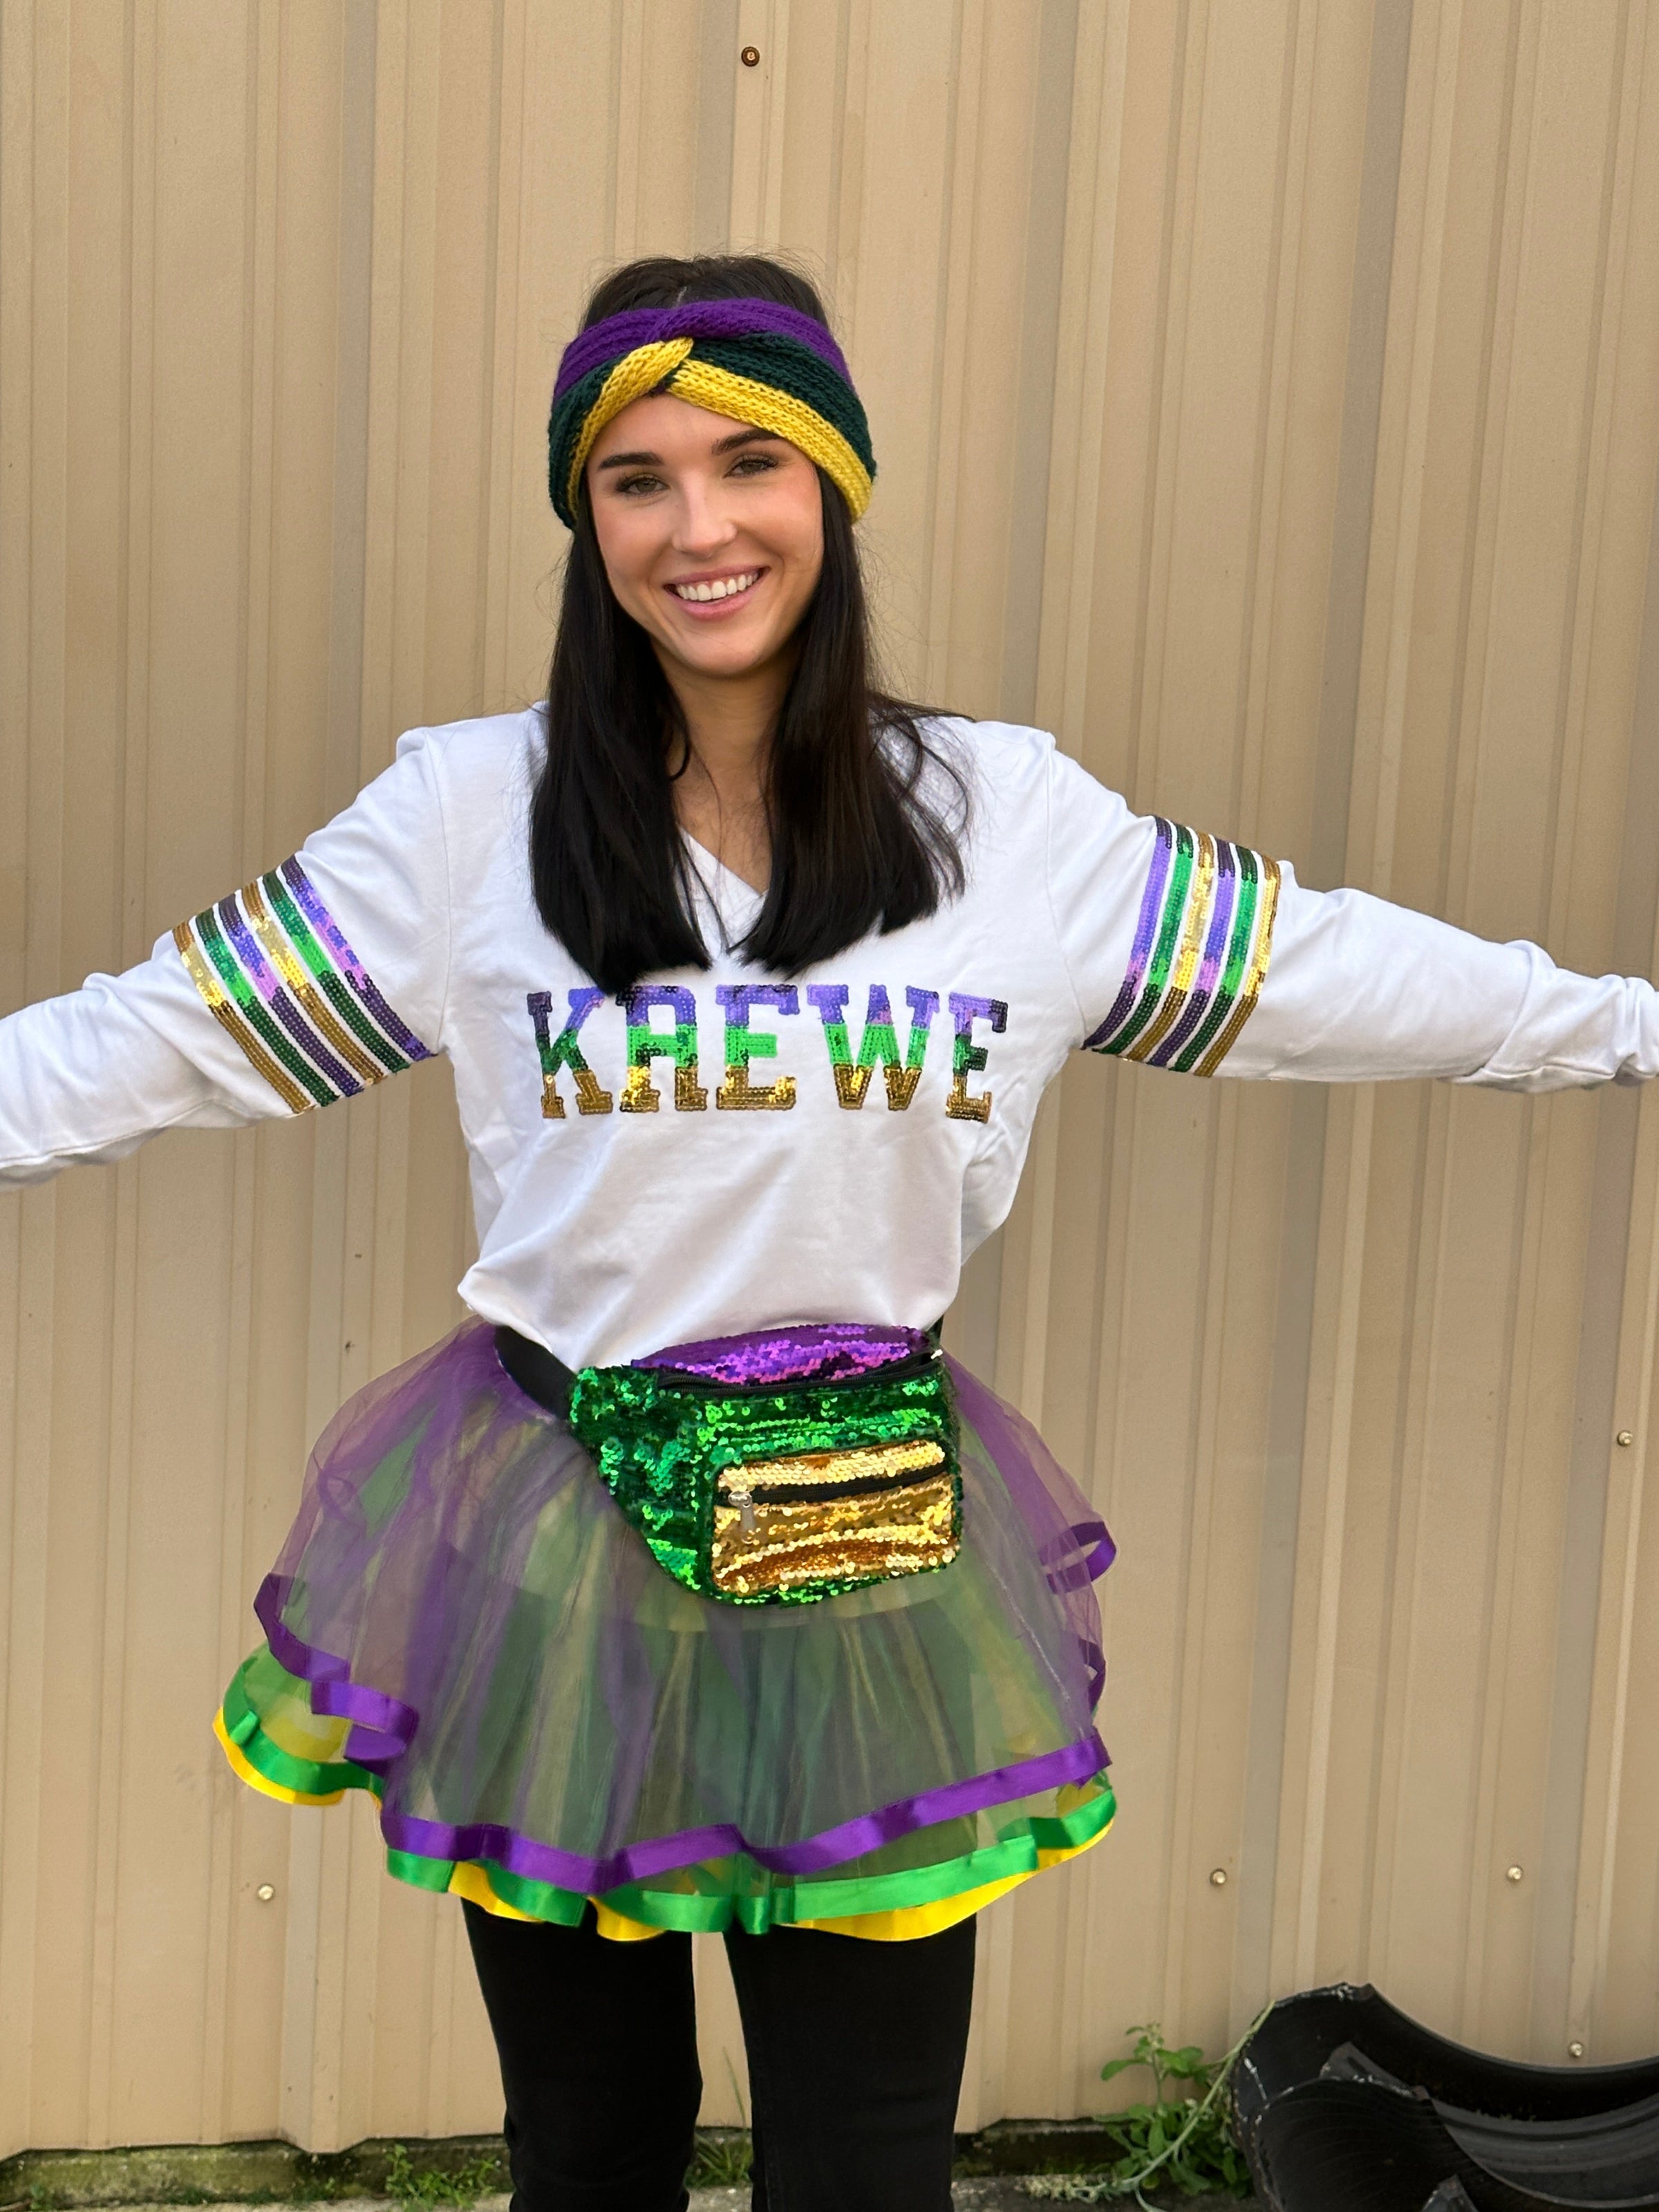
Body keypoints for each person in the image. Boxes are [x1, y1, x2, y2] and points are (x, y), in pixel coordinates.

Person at [2, 252, 1656, 2212]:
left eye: (749, 464)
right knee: (590, 2142)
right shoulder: (466, 817)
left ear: (834, 486)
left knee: (866, 2158)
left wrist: (1625, 1026)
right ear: (586, 520)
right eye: (636, 479)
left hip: (868, 1552)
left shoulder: (1008, 821)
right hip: (557, 1552)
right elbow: (159, 1034)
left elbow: (1333, 969)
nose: (698, 528)